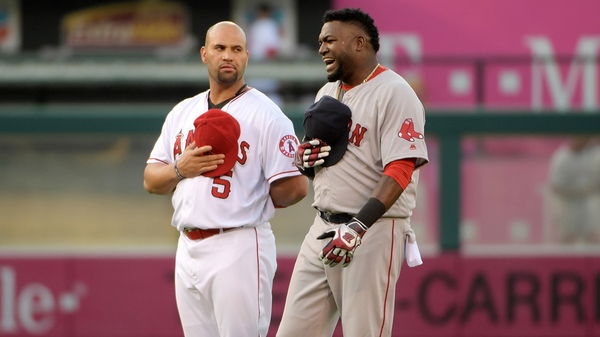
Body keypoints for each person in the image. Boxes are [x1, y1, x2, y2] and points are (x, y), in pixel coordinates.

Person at [143, 21, 307, 337]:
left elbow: (296, 187)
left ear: (246, 56)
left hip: (238, 242)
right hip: (188, 244)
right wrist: (181, 169)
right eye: (220, 48)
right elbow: (151, 180)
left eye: (236, 49)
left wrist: (255, 193)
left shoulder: (267, 114)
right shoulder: (182, 111)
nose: (227, 56)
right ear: (205, 54)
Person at [277, 8, 429, 337]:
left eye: (330, 40)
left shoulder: (395, 92)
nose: (321, 48)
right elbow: (326, 165)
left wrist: (359, 226)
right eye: (320, 41)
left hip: (373, 230)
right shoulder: (327, 93)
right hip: (322, 226)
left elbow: (401, 168)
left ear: (359, 43)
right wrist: (306, 161)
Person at [548, 136, 600, 244]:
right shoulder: (562, 158)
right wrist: (579, 192)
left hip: (588, 208)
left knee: (592, 238)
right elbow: (556, 187)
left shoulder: (592, 156)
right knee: (568, 240)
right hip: (567, 208)